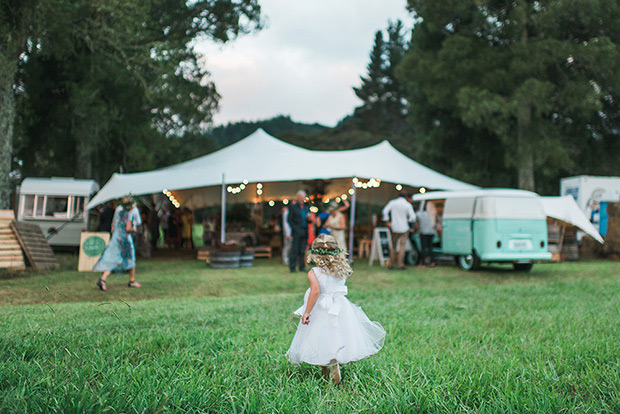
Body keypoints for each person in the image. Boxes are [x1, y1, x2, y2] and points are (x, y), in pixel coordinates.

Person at [287, 234, 386, 385]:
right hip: (340, 307)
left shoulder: (315, 272)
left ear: (314, 254)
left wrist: (307, 312)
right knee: (338, 335)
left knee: (320, 336)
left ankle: (327, 364)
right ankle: (333, 364)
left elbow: (315, 292)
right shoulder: (341, 270)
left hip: (321, 308)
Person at [94, 196, 141, 291]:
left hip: (116, 237)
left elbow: (114, 224)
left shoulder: (118, 211)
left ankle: (103, 279)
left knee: (113, 258)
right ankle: (132, 281)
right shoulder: (130, 214)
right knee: (131, 258)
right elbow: (128, 228)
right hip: (125, 239)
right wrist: (134, 229)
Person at [382, 192, 416, 270]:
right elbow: (413, 217)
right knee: (402, 247)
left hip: (394, 227)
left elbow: (385, 211)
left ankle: (391, 264)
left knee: (393, 246)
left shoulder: (393, 203)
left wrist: (387, 221)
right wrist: (408, 220)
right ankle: (400, 264)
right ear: (406, 197)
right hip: (404, 227)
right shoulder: (407, 205)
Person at [287, 190, 310, 272]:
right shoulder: (293, 207)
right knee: (295, 250)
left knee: (303, 250)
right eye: (300, 198)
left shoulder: (307, 208)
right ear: (298, 198)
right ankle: (293, 268)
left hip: (304, 231)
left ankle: (302, 267)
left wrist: (309, 220)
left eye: (303, 198)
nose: (302, 199)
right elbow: (289, 219)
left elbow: (309, 220)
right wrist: (295, 228)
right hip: (297, 231)